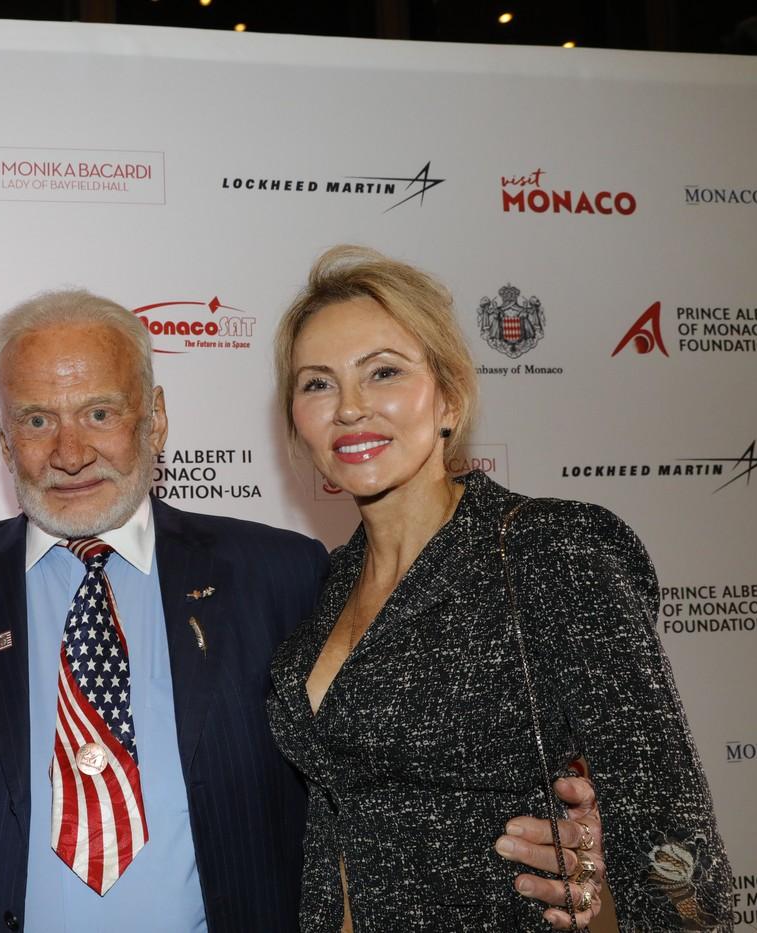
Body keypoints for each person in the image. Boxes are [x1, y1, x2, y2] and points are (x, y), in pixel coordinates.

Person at [0, 288, 603, 932]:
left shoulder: (281, 574)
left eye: (100, 412)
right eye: (37, 420)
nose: (70, 452)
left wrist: (562, 821)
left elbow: (385, 768)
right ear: (5, 438)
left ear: (155, 420)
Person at [267, 245, 733, 931]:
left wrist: (629, 901)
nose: (350, 408)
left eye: (383, 372)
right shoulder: (333, 579)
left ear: (449, 397)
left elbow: (672, 829)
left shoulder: (547, 548)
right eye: (317, 384)